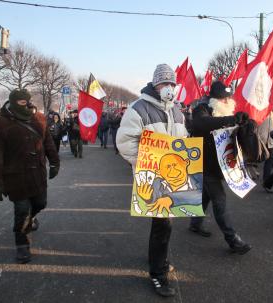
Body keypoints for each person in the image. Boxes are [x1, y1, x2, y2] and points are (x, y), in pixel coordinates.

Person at [116, 64, 188, 297]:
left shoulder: (177, 110)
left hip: (172, 177)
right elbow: (125, 141)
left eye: (172, 83)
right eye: (164, 83)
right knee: (163, 224)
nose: (168, 87)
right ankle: (158, 274)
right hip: (152, 176)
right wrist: (143, 163)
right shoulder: (138, 108)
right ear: (155, 84)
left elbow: (182, 140)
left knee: (164, 224)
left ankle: (157, 260)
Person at [0, 89, 60, 263]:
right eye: (20, 102)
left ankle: (32, 218)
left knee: (40, 203)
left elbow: (48, 143)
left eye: (26, 101)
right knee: (21, 210)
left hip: (38, 174)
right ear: (12, 102)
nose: (25, 105)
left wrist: (55, 162)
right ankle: (22, 244)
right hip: (15, 177)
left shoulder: (39, 119)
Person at [188, 80, 252, 254]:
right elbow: (201, 123)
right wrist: (230, 119)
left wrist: (246, 125)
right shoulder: (202, 109)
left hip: (222, 166)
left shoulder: (229, 113)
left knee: (206, 196)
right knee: (219, 200)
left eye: (228, 98)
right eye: (223, 99)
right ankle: (233, 240)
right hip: (204, 164)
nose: (227, 101)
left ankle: (194, 223)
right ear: (214, 100)